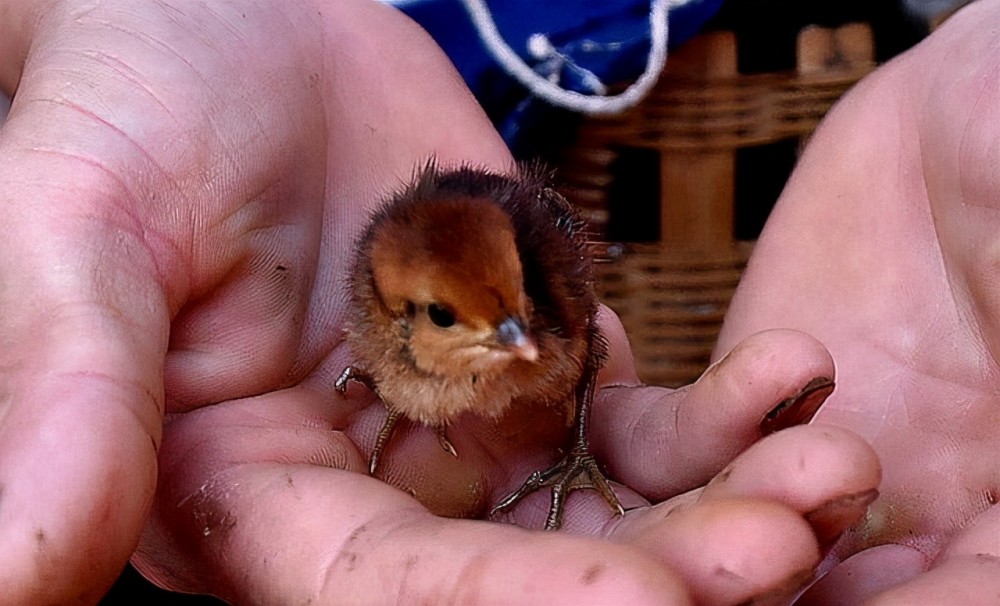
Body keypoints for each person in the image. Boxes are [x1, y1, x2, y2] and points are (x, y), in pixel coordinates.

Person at [0, 0, 988, 604]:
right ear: (390, 324)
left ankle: (571, 450)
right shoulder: (382, 324)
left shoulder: (533, 319)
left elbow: (551, 328)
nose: (518, 336)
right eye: (458, 321)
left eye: (511, 310)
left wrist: (568, 437)